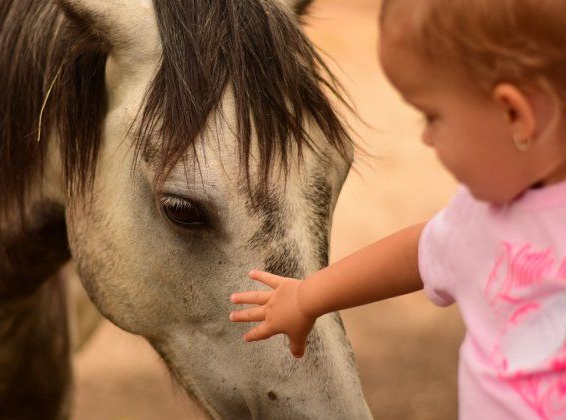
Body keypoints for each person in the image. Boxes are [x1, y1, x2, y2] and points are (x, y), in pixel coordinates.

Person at [230, 0, 566, 418]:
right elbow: (415, 253)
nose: (425, 138)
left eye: (432, 116)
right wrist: (305, 298)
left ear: (515, 114)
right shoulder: (482, 217)